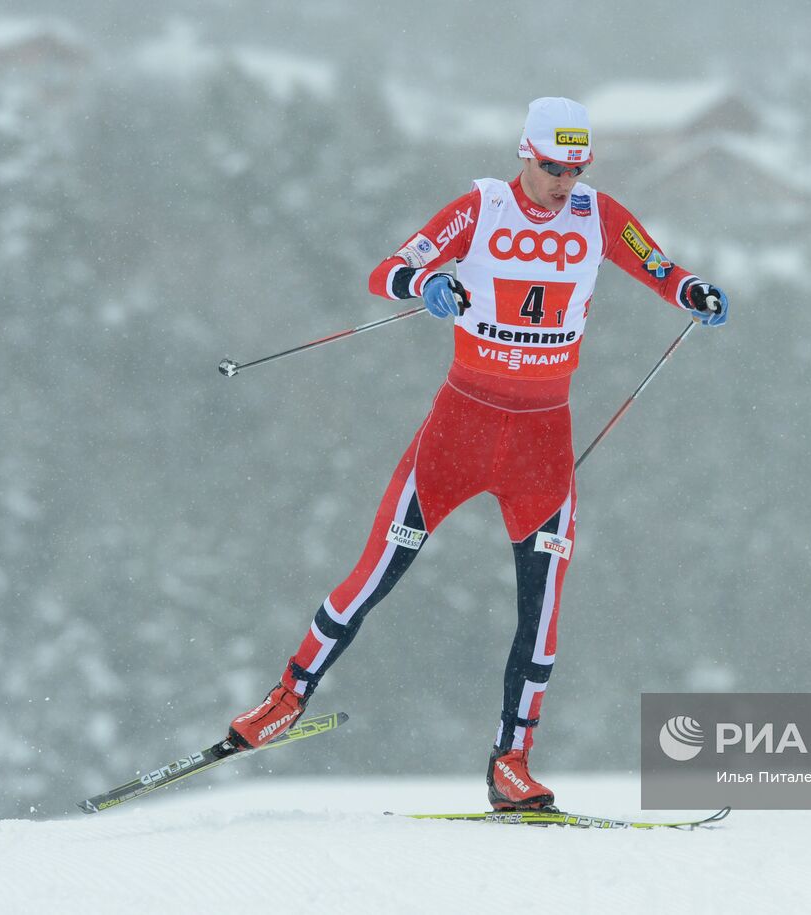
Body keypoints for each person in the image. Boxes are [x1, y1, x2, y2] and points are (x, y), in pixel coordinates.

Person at [227, 97, 729, 810]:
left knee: (543, 608)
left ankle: (511, 762)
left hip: (541, 441)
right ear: (525, 154)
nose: (564, 182)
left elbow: (658, 265)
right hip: (460, 429)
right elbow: (390, 268)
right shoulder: (482, 207)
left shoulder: (598, 215)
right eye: (553, 166)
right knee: (375, 572)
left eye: (576, 168)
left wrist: (693, 290)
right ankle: (285, 698)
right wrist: (427, 281)